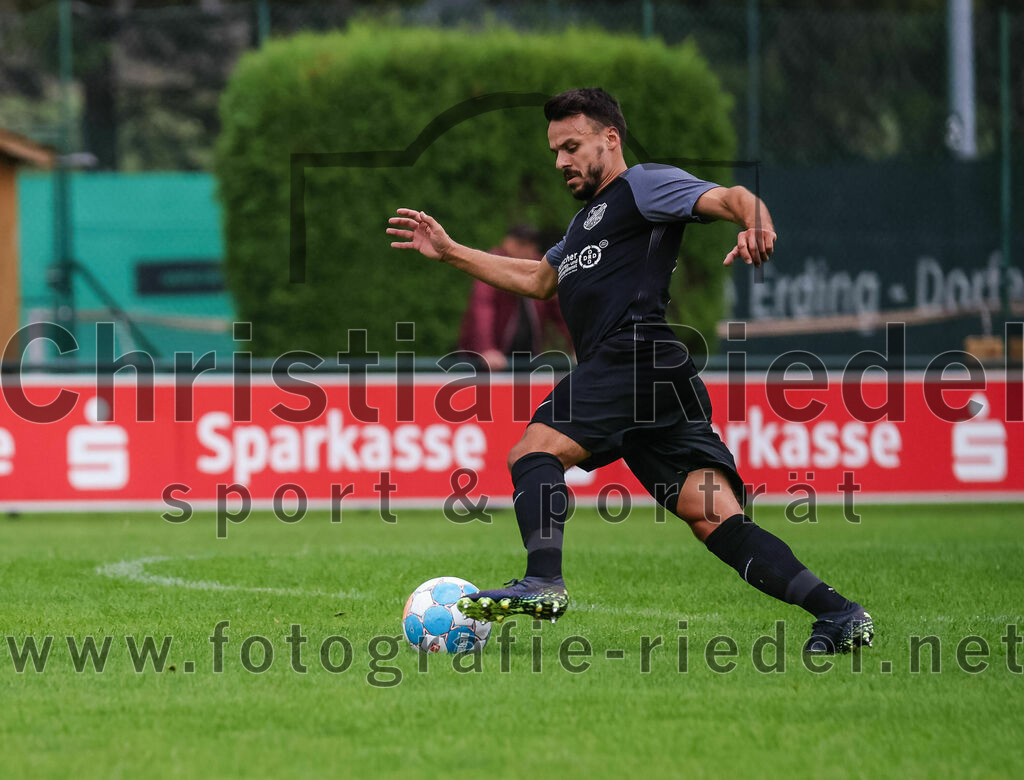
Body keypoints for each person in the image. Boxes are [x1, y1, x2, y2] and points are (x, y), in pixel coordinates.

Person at [387, 88, 872, 654]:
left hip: (634, 355)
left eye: (572, 146)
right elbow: (538, 280)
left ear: (609, 140)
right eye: (555, 152)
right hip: (657, 382)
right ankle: (839, 613)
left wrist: (755, 222)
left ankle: (543, 580)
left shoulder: (643, 186)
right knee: (714, 518)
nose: (562, 161)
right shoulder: (584, 225)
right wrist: (450, 252)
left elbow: (734, 196)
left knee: (532, 451)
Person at [456, 224, 570, 370]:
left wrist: (579, 346)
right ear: (507, 242)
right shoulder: (492, 264)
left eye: (531, 244)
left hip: (528, 361)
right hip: (486, 363)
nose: (526, 249)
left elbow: (561, 310)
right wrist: (487, 348)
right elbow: (483, 306)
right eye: (520, 244)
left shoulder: (540, 266)